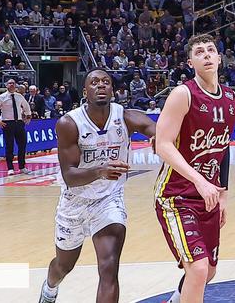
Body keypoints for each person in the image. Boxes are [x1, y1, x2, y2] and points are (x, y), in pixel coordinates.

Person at [38, 69, 157, 303]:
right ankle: (49, 289)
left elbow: (153, 129)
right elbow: (69, 175)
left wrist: (159, 138)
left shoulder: (126, 117)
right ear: (85, 91)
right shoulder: (69, 123)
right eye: (94, 82)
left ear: (112, 90)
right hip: (75, 202)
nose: (100, 85)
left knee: (109, 266)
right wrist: (100, 171)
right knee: (63, 266)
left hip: (108, 200)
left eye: (106, 82)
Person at [154, 35, 235, 303]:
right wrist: (199, 180)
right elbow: (163, 145)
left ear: (219, 58)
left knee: (209, 271)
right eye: (199, 52)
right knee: (198, 268)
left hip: (209, 199)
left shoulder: (231, 98)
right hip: (175, 196)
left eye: (211, 50)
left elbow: (224, 148)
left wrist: (222, 194)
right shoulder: (183, 94)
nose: (207, 55)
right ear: (191, 62)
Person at [0, 78, 33, 175]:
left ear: (15, 85)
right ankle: (10, 168)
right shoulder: (2, 97)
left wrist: (28, 116)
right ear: (6, 85)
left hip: (19, 123)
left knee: (22, 145)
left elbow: (26, 106)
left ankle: (22, 167)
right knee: (9, 146)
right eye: (10, 83)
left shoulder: (19, 96)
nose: (12, 85)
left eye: (13, 83)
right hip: (8, 123)